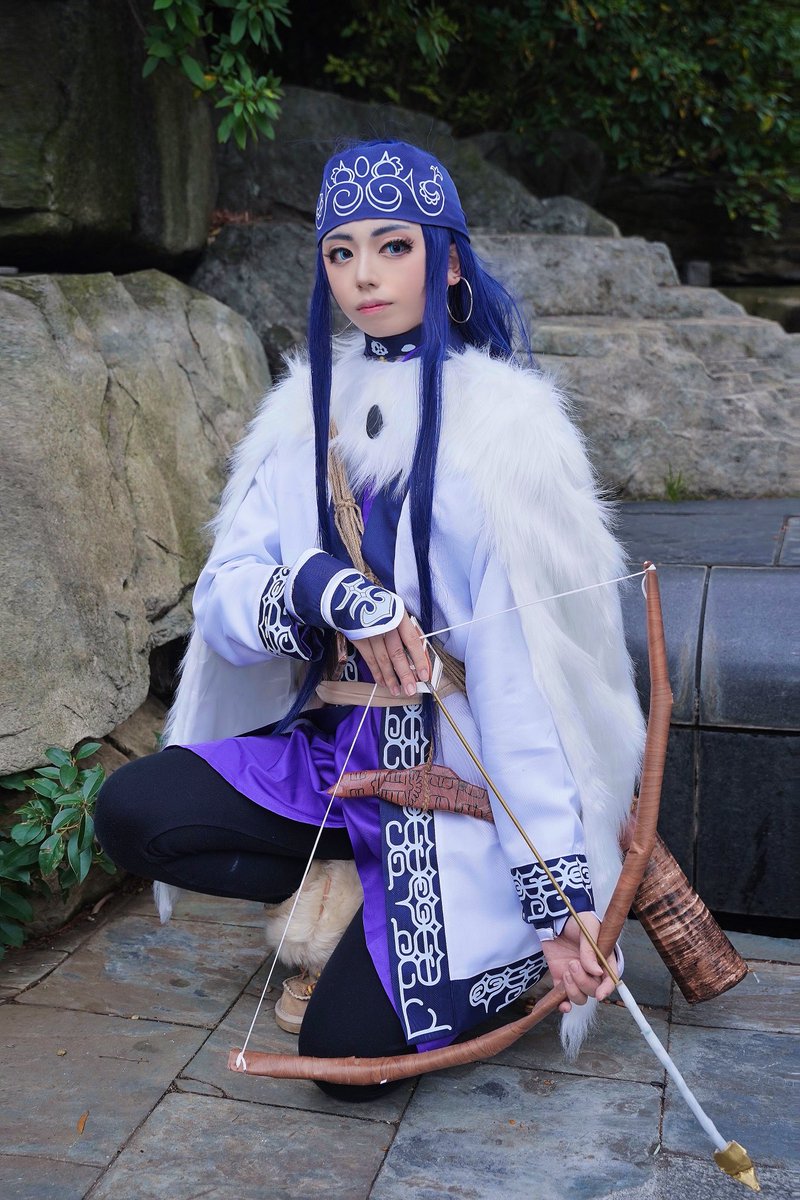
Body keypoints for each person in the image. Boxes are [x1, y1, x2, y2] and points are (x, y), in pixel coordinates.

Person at [95, 140, 645, 1101]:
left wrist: (558, 902)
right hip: (337, 758)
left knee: (346, 1060)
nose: (364, 275)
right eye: (341, 252)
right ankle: (351, 881)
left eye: (393, 246)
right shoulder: (302, 415)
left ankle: (499, 945)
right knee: (134, 810)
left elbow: (527, 685)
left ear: (450, 261)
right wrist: (320, 587)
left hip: (464, 781)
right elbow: (225, 599)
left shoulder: (508, 431)